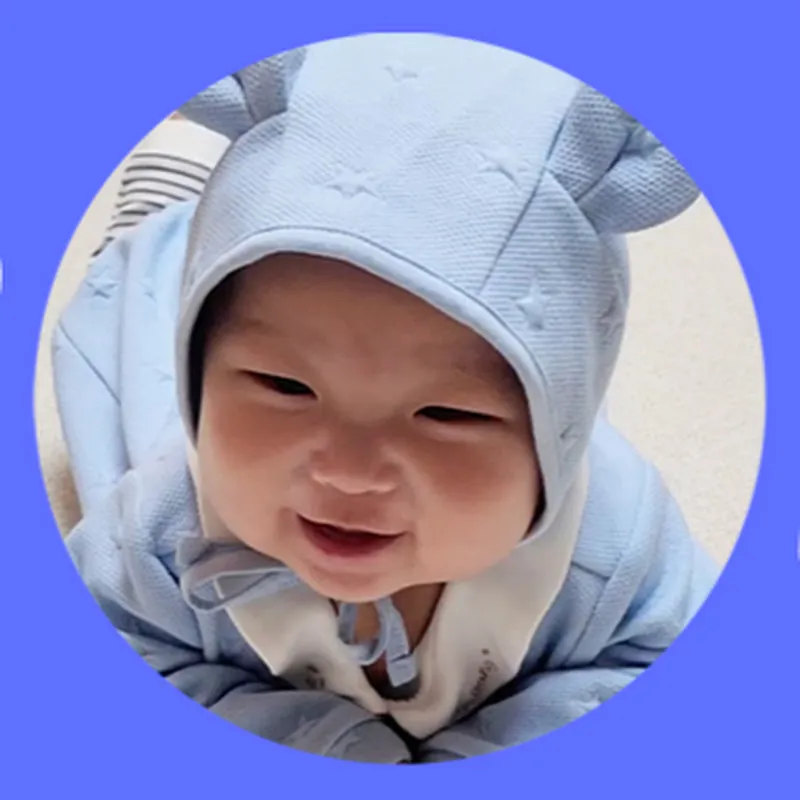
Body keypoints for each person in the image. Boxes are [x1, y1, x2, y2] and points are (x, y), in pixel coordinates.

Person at [55, 33, 719, 763]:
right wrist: (322, 743)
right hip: (170, 286)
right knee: (138, 271)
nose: (349, 473)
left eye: (448, 415)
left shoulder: (617, 550)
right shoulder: (154, 538)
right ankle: (175, 167)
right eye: (285, 387)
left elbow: (668, 667)